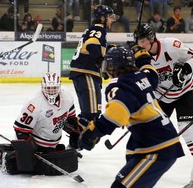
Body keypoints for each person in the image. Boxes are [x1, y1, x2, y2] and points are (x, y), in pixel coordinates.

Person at [78, 45, 185, 187]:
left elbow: (116, 114)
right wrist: (143, 57)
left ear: (112, 66)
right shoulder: (142, 76)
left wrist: (93, 131)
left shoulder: (120, 84)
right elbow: (151, 72)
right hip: (161, 144)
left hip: (155, 149)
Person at [133, 22, 193, 187]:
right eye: (139, 41)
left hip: (186, 93)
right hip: (163, 97)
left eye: (144, 41)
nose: (141, 45)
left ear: (152, 38)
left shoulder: (171, 45)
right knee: (149, 133)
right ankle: (141, 172)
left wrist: (185, 69)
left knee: (190, 136)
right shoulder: (140, 57)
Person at [0, 72, 79, 175]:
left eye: (54, 88)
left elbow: (71, 118)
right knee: (26, 166)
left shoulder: (67, 96)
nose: (51, 92)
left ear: (59, 87)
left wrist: (75, 132)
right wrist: (29, 150)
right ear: (42, 87)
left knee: (76, 134)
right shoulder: (34, 103)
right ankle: (5, 156)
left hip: (53, 141)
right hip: (37, 142)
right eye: (48, 88)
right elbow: (21, 130)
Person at [69, 5, 115, 136]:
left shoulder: (92, 29)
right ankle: (71, 132)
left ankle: (74, 140)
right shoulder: (98, 29)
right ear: (102, 18)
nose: (111, 20)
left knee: (90, 113)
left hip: (83, 74)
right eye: (109, 17)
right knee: (91, 113)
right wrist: (102, 64)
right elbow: (91, 44)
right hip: (86, 73)